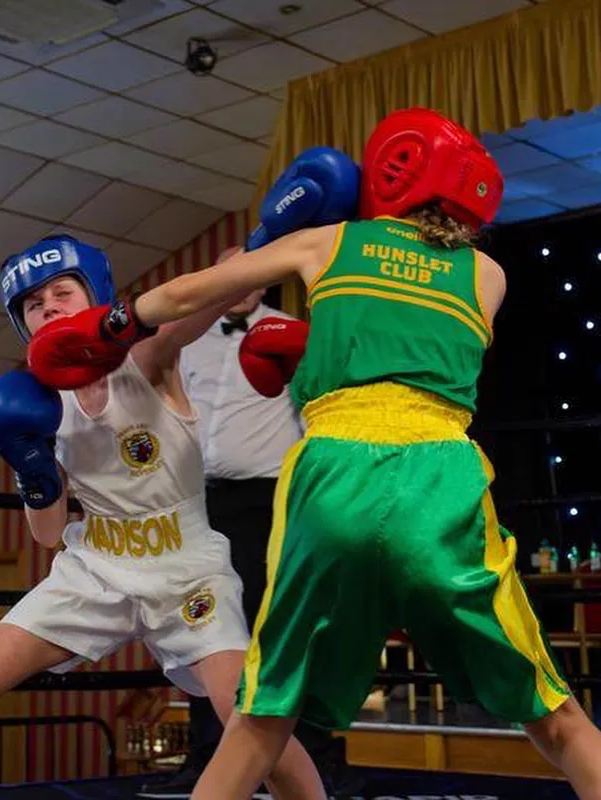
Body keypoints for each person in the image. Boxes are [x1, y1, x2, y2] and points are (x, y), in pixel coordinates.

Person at [47, 108, 601, 800]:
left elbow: (192, 291)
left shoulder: (329, 242)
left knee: (264, 715)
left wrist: (108, 326)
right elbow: (417, 343)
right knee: (559, 720)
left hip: (335, 472)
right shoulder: (488, 274)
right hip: (441, 482)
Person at [0, 234, 325, 800]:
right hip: (96, 566)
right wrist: (32, 471)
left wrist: (263, 248)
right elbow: (45, 535)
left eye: (62, 291)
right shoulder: (34, 402)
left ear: (94, 295)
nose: (49, 307)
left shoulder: (147, 357)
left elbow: (197, 300)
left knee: (250, 717)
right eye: (34, 305)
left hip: (187, 567)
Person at [146, 250, 354, 795]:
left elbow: (324, 408)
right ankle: (208, 758)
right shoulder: (184, 337)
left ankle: (317, 759)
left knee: (282, 624)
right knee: (203, 627)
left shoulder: (291, 332)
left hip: (272, 500)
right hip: (198, 501)